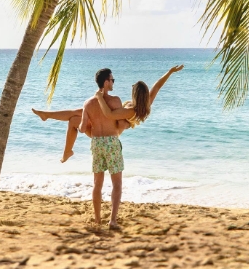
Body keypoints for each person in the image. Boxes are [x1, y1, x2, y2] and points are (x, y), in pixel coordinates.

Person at [33, 65, 184, 229]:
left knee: (79, 116)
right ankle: (112, 221)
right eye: (112, 80)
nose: (118, 83)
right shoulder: (143, 104)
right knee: (116, 183)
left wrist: (98, 99)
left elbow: (109, 115)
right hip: (111, 142)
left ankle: (98, 219)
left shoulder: (129, 110)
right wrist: (170, 72)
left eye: (133, 88)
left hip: (100, 140)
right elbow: (157, 87)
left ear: (135, 94)